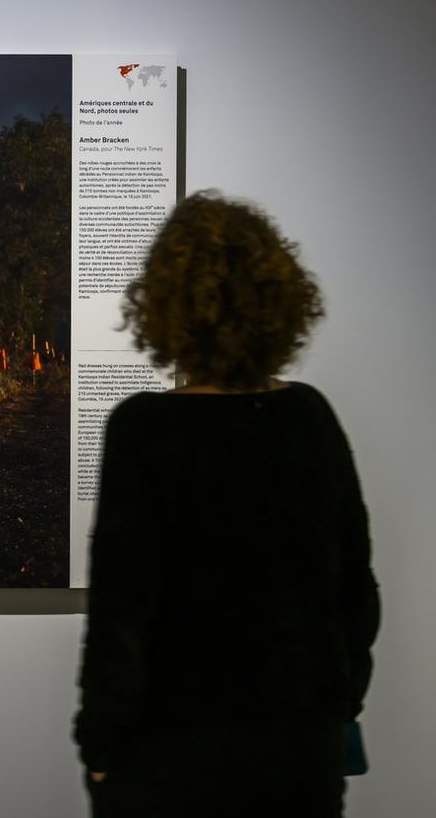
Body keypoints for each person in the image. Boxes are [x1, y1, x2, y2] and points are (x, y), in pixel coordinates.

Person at [73, 190, 380, 817]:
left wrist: (100, 745)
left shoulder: (146, 428)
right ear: (277, 302)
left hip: (168, 757)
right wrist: (335, 707)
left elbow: (122, 614)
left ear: (165, 307)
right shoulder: (309, 419)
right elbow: (355, 592)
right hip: (299, 752)